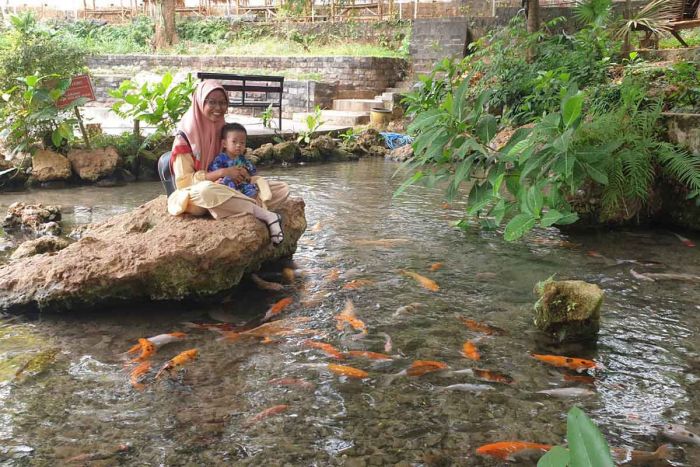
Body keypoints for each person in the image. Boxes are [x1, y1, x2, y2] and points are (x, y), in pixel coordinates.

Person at [166, 80, 288, 245]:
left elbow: (234, 161)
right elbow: (184, 183)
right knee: (206, 192)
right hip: (195, 195)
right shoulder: (185, 136)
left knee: (281, 189)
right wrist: (222, 173)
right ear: (200, 102)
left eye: (223, 103)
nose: (218, 108)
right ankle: (265, 214)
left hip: (227, 189)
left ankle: (231, 206)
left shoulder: (222, 129)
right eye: (212, 102)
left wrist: (242, 174)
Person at [209, 123, 273, 207]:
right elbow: (215, 171)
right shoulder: (220, 158)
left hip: (241, 184)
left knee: (252, 188)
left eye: (242, 143)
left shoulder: (242, 159)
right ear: (224, 143)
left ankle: (253, 205)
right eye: (234, 142)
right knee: (224, 183)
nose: (238, 145)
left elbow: (253, 171)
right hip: (228, 186)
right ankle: (236, 204)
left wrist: (246, 172)